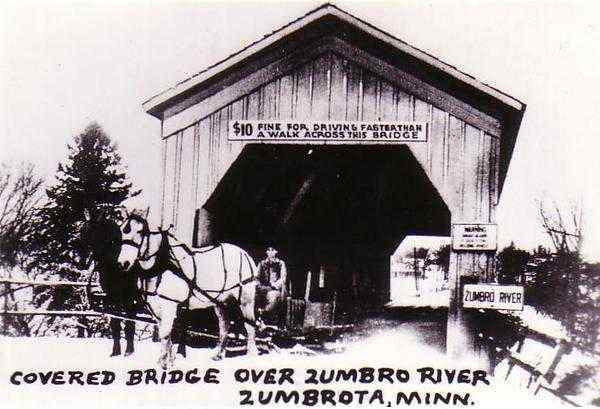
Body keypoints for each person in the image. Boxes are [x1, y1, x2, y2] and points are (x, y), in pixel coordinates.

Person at [82, 209, 139, 357]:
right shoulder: (96, 227)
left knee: (126, 307)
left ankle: (128, 344)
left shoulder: (112, 227)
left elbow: (120, 247)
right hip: (109, 271)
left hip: (121, 271)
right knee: (117, 309)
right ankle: (118, 344)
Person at [256, 246, 287, 328]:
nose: (270, 252)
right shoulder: (262, 263)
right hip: (263, 288)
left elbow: (282, 278)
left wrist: (275, 285)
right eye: (268, 250)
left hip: (276, 288)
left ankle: (264, 314)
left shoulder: (280, 263)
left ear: (276, 252)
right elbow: (257, 277)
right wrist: (259, 285)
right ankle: (257, 319)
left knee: (273, 297)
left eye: (272, 250)